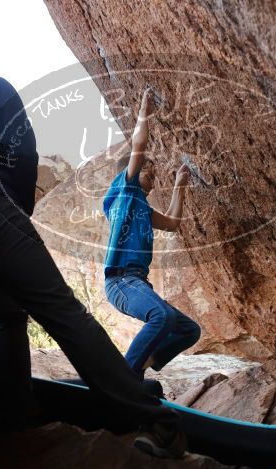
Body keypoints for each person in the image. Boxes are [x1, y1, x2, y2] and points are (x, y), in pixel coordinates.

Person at [0, 70, 185, 458]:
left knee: (5, 313)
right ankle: (157, 421)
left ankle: (16, 418)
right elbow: (21, 151)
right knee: (63, 312)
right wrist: (15, 214)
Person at [104, 88, 201, 378]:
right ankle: (124, 378)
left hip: (137, 282)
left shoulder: (143, 209)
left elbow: (172, 223)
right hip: (120, 281)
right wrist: (144, 112)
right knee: (162, 316)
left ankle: (140, 368)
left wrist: (179, 186)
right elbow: (139, 147)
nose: (153, 182)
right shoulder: (125, 190)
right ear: (131, 174)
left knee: (188, 330)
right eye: (150, 175)